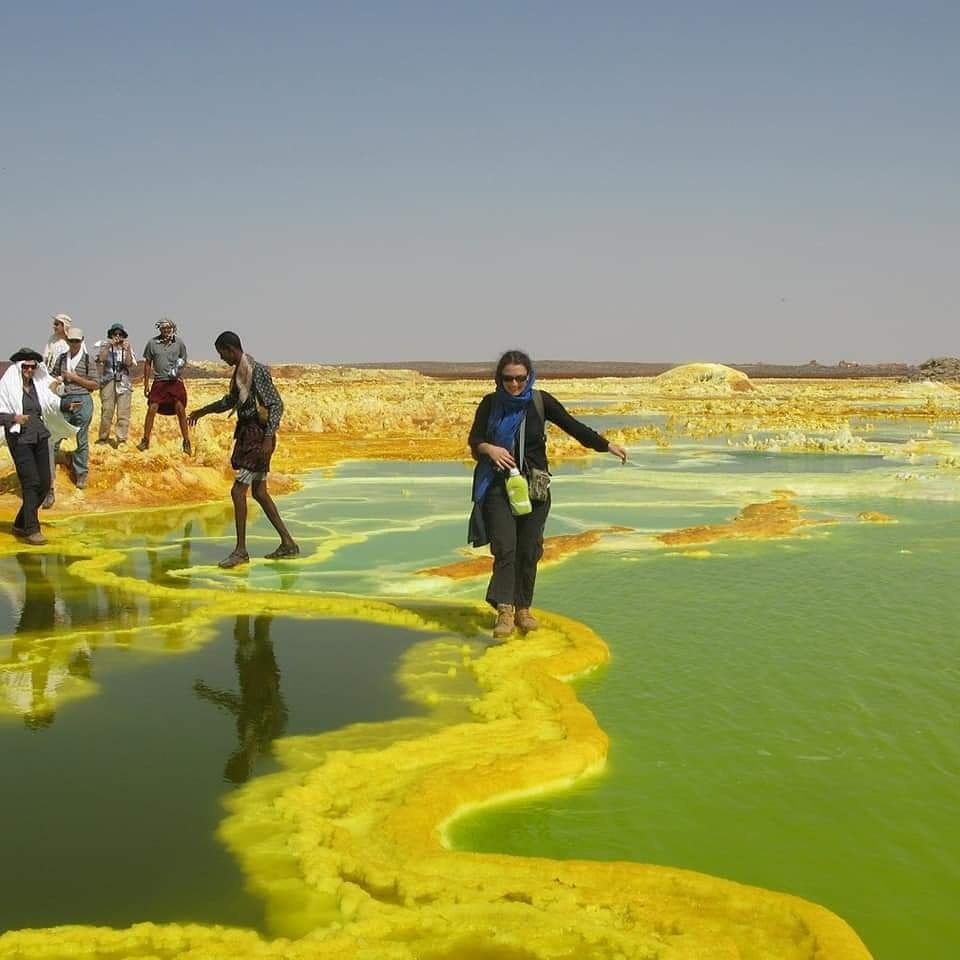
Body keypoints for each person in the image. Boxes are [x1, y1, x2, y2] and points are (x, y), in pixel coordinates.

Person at [468, 350, 627, 640]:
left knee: (529, 550)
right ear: (499, 378)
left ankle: (523, 609)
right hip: (498, 486)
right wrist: (489, 449)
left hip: (535, 488)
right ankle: (504, 610)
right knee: (506, 547)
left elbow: (573, 426)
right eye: (508, 379)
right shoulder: (491, 404)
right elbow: (474, 439)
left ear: (528, 377)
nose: (514, 384)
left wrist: (605, 445)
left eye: (519, 378)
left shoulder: (540, 401)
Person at [187, 331, 299, 568]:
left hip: (257, 438)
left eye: (222, 354)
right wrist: (203, 411)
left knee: (238, 492)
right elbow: (230, 401)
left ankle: (240, 551)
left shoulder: (255, 371)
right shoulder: (241, 373)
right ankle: (288, 543)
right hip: (249, 434)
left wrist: (268, 437)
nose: (222, 359)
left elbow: (276, 405)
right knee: (259, 492)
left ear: (230, 349)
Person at [0, 348, 76, 545]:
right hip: (20, 438)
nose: (30, 369)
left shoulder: (38, 386)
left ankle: (19, 523)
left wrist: (67, 406)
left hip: (40, 436)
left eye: (33, 366)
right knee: (31, 483)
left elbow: (51, 402)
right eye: (26, 366)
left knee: (44, 483)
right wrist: (14, 417)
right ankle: (32, 529)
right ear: (19, 367)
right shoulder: (7, 387)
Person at [51, 326, 98, 490]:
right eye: (71, 341)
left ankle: (81, 474)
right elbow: (53, 377)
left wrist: (75, 378)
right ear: (67, 341)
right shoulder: (62, 358)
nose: (74, 343)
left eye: (77, 341)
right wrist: (58, 382)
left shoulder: (87, 360)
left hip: (83, 399)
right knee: (55, 435)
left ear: (82, 341)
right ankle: (53, 471)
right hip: (64, 400)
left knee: (81, 438)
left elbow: (95, 384)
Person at [138, 318, 191, 454]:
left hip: (175, 381)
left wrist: (178, 368)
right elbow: (148, 363)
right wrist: (146, 385)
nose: (166, 331)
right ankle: (145, 440)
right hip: (159, 381)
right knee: (152, 408)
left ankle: (186, 441)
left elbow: (183, 359)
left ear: (172, 329)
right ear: (160, 329)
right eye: (163, 328)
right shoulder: (152, 343)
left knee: (180, 408)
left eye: (168, 328)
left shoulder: (179, 343)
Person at [95, 323, 136, 445]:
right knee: (107, 410)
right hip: (108, 380)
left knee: (123, 412)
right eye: (115, 334)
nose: (117, 336)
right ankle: (103, 437)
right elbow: (101, 359)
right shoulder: (104, 345)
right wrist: (108, 346)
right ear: (111, 335)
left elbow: (129, 363)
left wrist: (127, 349)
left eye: (120, 334)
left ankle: (121, 438)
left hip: (124, 382)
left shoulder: (127, 347)